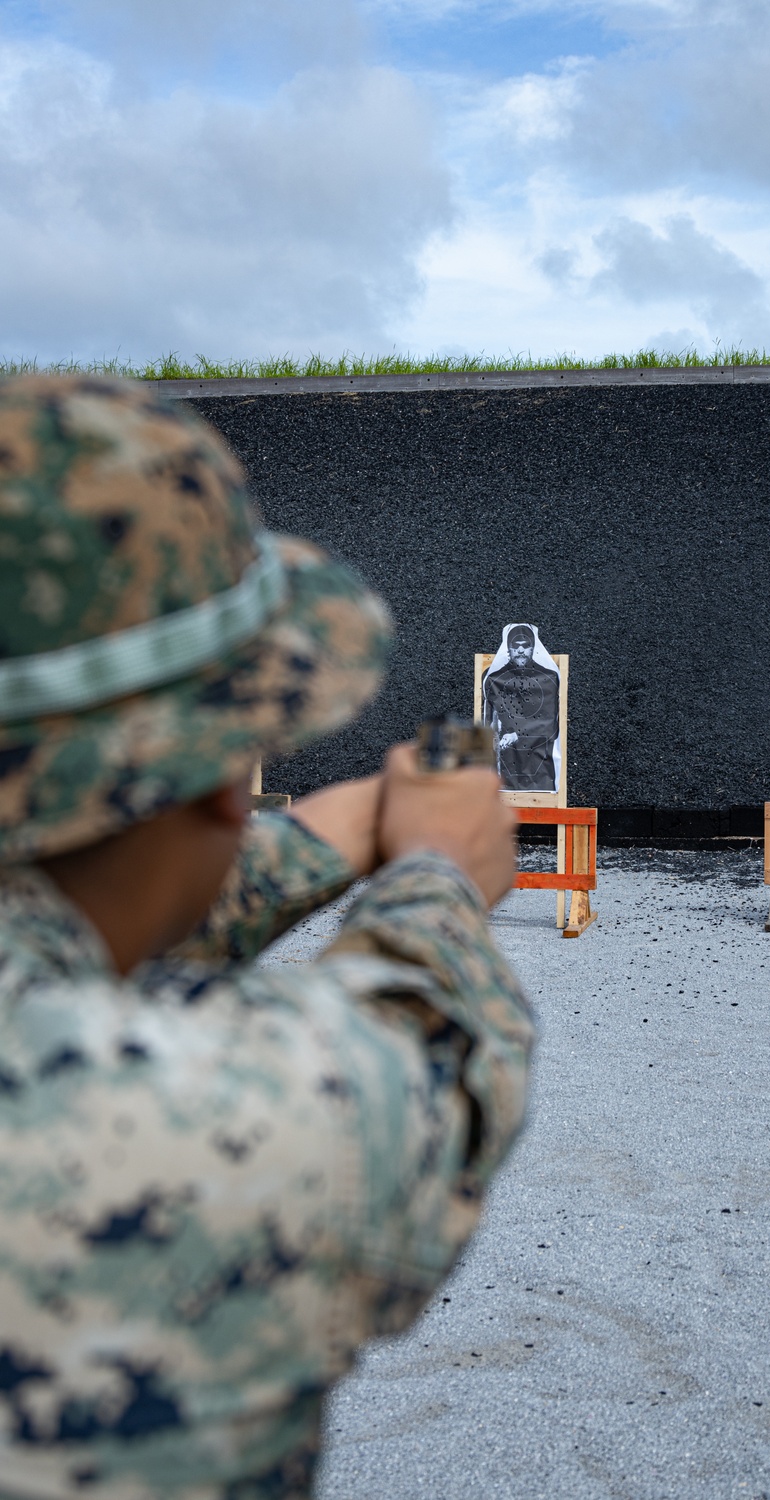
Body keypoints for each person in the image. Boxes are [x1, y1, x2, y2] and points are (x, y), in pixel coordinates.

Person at [0, 375, 532, 1499]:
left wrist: (332, 833)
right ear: (212, 779)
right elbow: (414, 1068)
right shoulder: (186, 1118)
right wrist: (435, 877)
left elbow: (59, 916)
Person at [482, 625, 560, 792]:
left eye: (525, 645)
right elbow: (488, 722)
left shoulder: (548, 678)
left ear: (533, 648)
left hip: (540, 764)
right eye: (516, 646)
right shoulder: (494, 679)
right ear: (509, 648)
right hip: (505, 763)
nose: (520, 650)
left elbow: (550, 723)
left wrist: (517, 734)